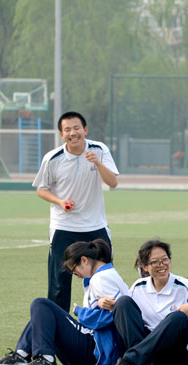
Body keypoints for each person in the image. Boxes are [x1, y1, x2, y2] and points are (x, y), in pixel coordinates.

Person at [0, 239, 129, 365]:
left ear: (84, 260)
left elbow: (115, 316)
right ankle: (22, 354)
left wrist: (80, 312)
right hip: (93, 351)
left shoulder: (101, 278)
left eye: (74, 271)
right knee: (45, 312)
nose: (77, 276)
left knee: (41, 304)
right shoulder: (104, 275)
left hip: (95, 351)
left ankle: (45, 359)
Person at [33, 111, 119, 312]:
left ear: (85, 130)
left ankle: (104, 329)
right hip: (64, 227)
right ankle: (58, 331)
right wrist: (60, 201)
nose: (73, 133)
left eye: (77, 128)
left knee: (104, 278)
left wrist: (97, 163)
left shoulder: (99, 149)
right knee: (59, 284)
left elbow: (113, 182)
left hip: (95, 225)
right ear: (61, 134)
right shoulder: (52, 158)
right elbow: (41, 189)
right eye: (67, 129)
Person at [108, 239, 188, 365]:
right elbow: (125, 315)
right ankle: (144, 363)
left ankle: (129, 360)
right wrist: (103, 301)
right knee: (123, 302)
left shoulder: (185, 286)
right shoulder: (138, 287)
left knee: (178, 317)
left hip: (171, 357)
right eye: (155, 262)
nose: (161, 265)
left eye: (165, 260)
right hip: (145, 352)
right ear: (144, 267)